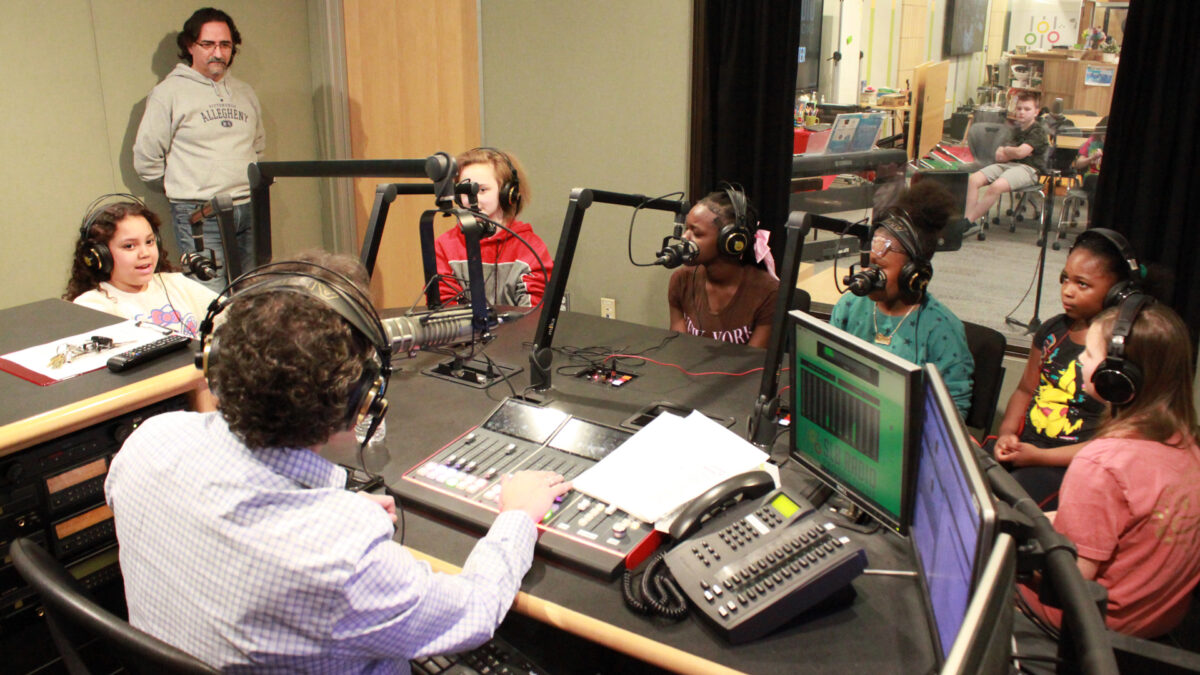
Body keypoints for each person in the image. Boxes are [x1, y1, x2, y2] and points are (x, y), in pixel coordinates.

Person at [105, 251, 572, 670]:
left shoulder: (148, 444)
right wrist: (516, 519)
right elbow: (473, 610)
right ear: (361, 399)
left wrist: (328, 515)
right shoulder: (343, 561)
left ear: (215, 359)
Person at [1020, 299, 1200, 639]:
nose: (1079, 360)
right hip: (1155, 626)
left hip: (1090, 629)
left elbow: (1068, 583)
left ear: (1115, 377)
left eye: (1088, 354)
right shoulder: (1188, 446)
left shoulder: (1100, 463)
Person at [992, 229, 1161, 508]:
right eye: (1065, 279)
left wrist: (1037, 457)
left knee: (1010, 505)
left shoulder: (1121, 350)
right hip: (1026, 450)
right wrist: (1007, 433)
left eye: (1082, 284)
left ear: (1119, 293)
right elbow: (1025, 390)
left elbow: (1117, 439)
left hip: (1072, 464)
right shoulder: (1051, 330)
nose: (1068, 290)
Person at [133, 7, 264, 292]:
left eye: (225, 45)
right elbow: (146, 159)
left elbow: (258, 148)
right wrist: (184, 189)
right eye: (208, 44)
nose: (217, 52)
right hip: (200, 214)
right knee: (208, 296)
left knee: (254, 296)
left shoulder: (245, 92)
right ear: (190, 46)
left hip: (249, 208)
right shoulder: (168, 93)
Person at [830, 181, 974, 416]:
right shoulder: (849, 306)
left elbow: (953, 410)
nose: (869, 274)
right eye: (870, 264)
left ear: (913, 274)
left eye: (881, 267)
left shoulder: (942, 329)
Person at [65, 197, 216, 338]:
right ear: (100, 256)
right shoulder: (93, 305)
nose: (145, 253)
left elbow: (230, 317)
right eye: (129, 246)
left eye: (149, 242)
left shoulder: (177, 283)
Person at [433, 147, 553, 308]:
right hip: (463, 334)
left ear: (508, 193)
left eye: (482, 190)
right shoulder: (445, 245)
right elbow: (444, 309)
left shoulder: (531, 248)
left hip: (518, 333)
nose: (472, 200)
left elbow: (534, 315)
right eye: (465, 191)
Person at [668, 184, 779, 348]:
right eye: (686, 229)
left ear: (730, 241)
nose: (685, 237)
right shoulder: (680, 280)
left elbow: (754, 362)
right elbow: (680, 348)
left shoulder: (768, 292)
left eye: (696, 233)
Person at [963, 91, 1049, 225]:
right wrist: (1014, 151)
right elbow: (999, 155)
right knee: (973, 180)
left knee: (996, 186)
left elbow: (1020, 153)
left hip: (1028, 169)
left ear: (1036, 112)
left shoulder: (1038, 131)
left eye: (1027, 109)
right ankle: (967, 218)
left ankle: (968, 221)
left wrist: (1009, 150)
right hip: (1008, 164)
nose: (1022, 112)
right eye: (1019, 108)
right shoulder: (1014, 129)